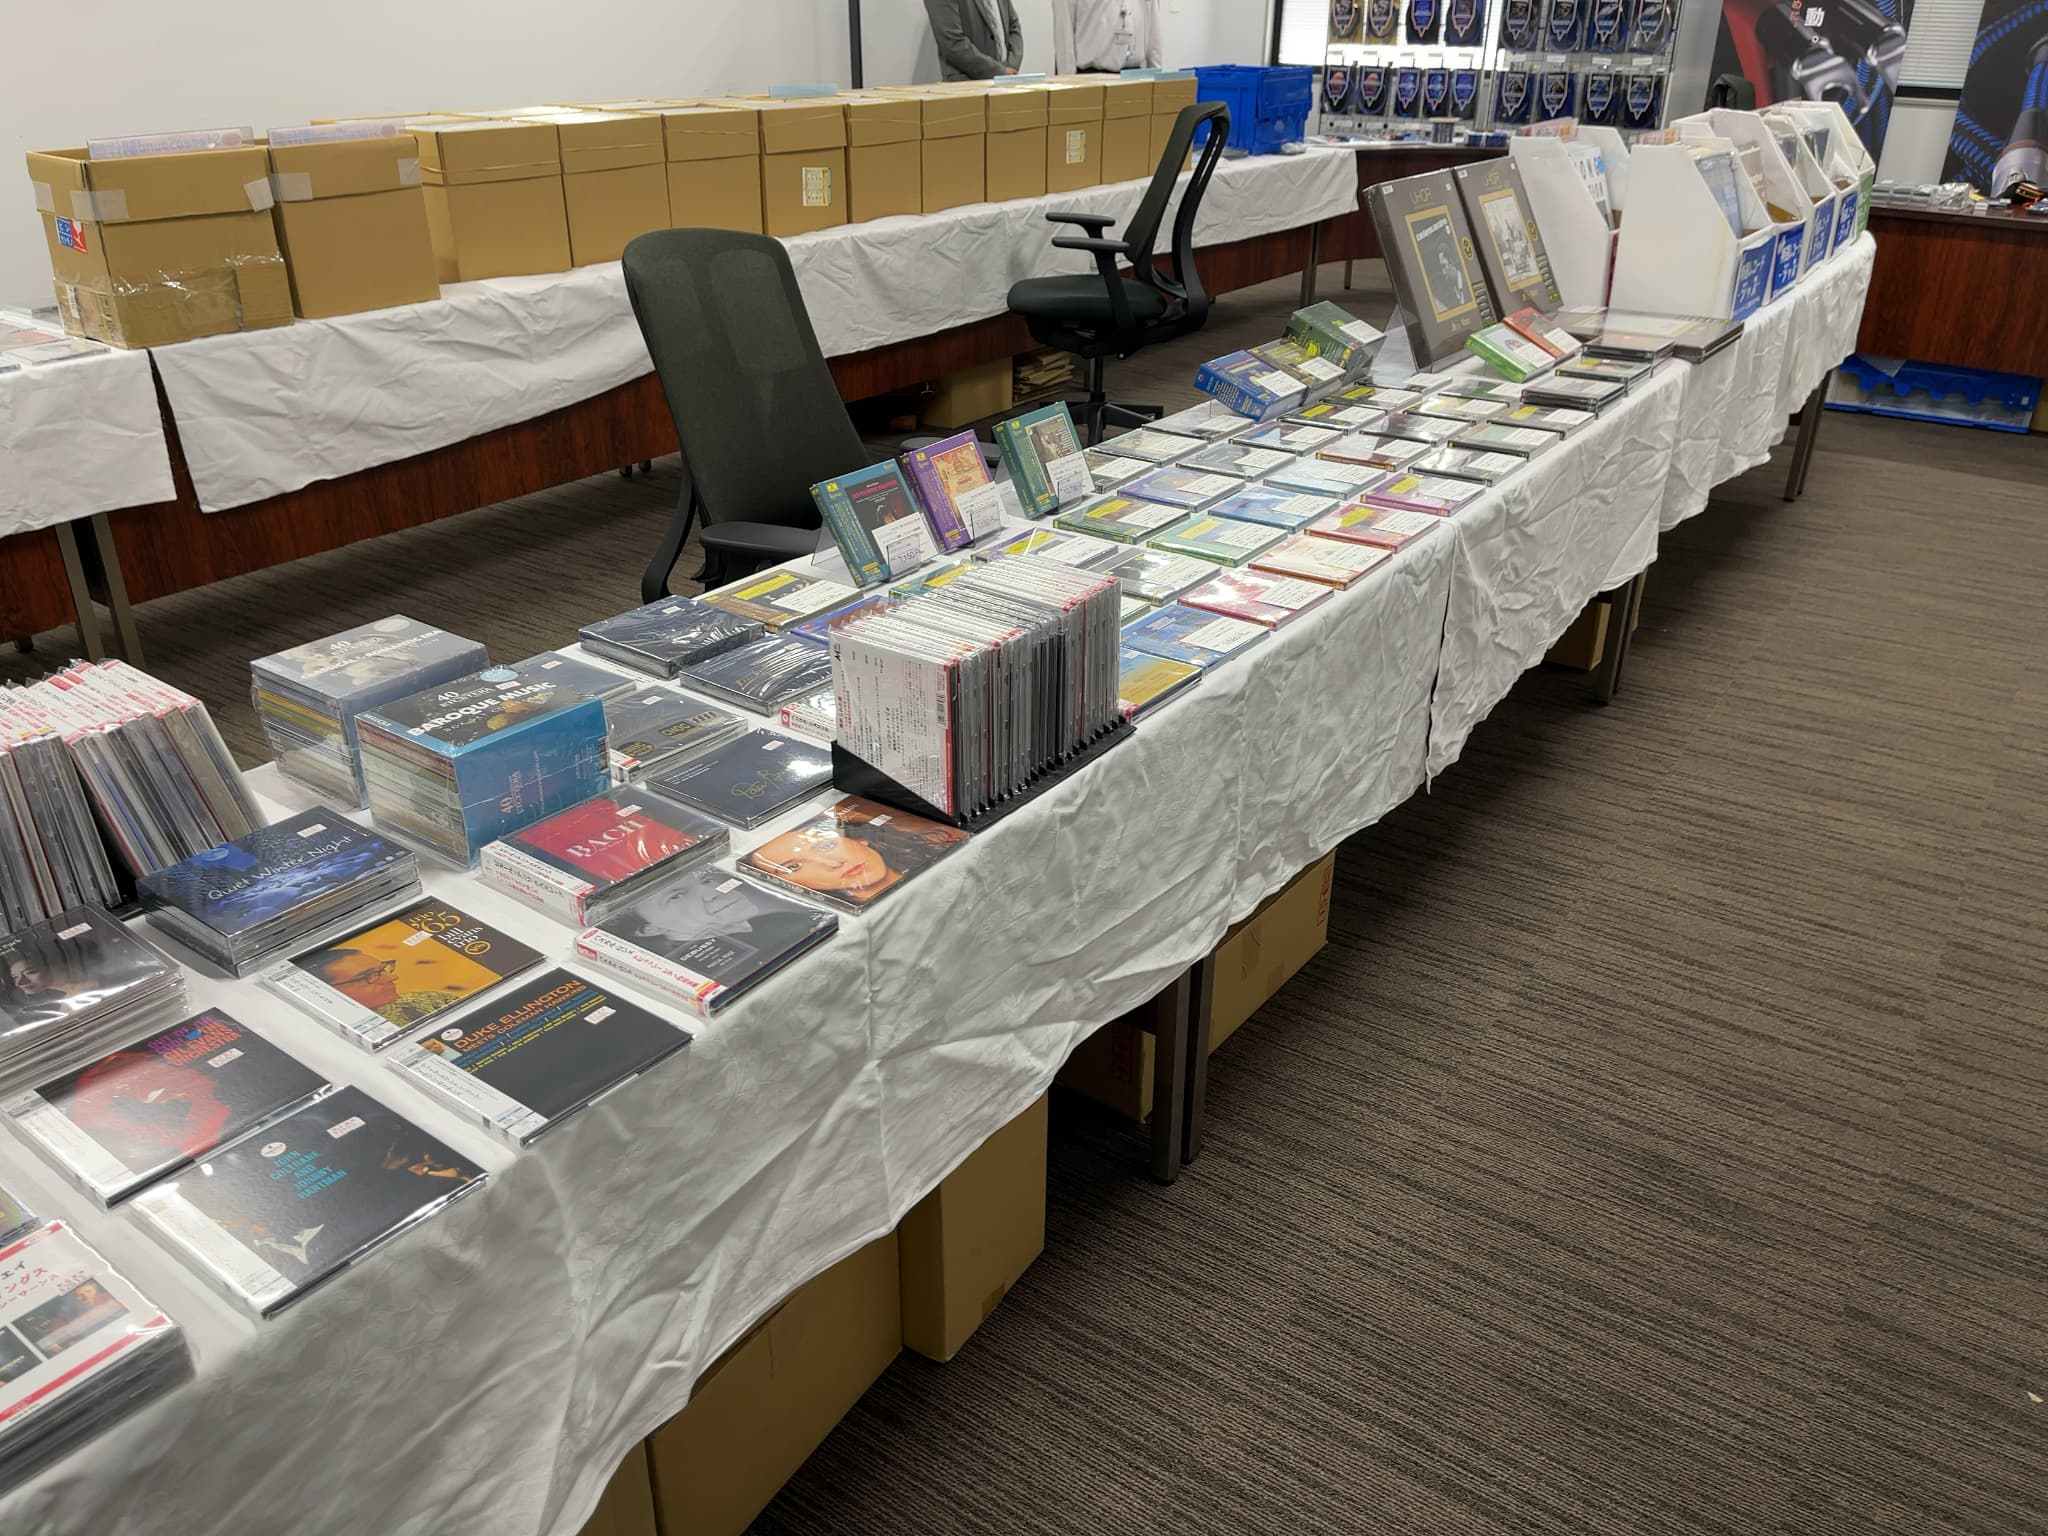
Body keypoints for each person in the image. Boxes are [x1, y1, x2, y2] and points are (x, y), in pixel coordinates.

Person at [1051, 0, 1164, 74]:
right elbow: (1064, 32)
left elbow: (1154, 30)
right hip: (1091, 78)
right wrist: (1068, 83)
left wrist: (1156, 74)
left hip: (1135, 76)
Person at [925, 0, 1024, 81]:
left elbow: (1013, 26)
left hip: (1006, 85)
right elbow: (952, 43)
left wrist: (1012, 65)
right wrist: (1000, 72)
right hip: (967, 87)